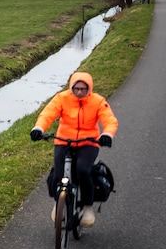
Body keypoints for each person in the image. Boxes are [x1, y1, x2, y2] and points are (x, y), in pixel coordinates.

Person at [31, 71, 118, 226]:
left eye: (83, 89)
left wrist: (107, 135)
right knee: (58, 173)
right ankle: (59, 203)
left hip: (88, 142)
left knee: (84, 171)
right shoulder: (61, 98)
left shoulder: (98, 101)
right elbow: (48, 114)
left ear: (89, 89)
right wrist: (39, 128)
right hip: (63, 140)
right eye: (75, 88)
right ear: (71, 87)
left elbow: (110, 120)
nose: (79, 92)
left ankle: (88, 207)